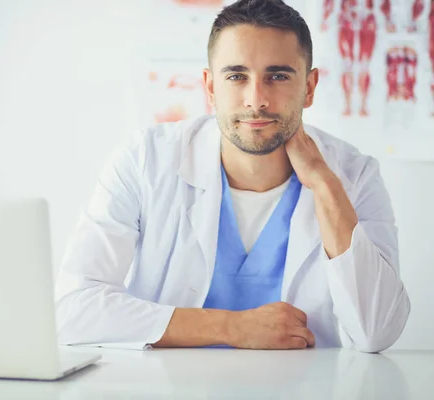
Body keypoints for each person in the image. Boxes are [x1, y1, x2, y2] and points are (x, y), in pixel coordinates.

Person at [55, 0, 410, 352]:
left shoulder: (354, 175)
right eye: (237, 76)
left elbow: (377, 331)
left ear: (310, 87)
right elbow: (73, 309)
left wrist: (324, 183)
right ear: (210, 87)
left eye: (278, 76)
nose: (256, 100)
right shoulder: (145, 161)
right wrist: (232, 327)